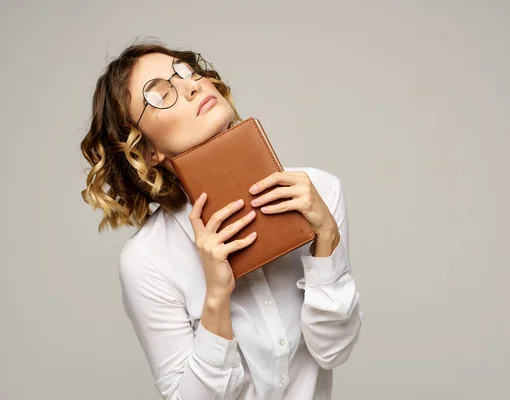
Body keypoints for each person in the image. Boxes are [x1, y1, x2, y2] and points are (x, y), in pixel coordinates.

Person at [80, 39, 364, 400]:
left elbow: (333, 350)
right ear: (148, 150)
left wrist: (327, 239)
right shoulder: (147, 260)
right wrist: (216, 296)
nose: (191, 85)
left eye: (186, 70)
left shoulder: (318, 191)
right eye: (160, 93)